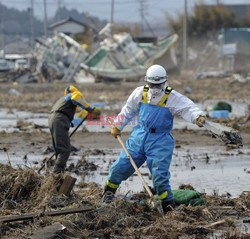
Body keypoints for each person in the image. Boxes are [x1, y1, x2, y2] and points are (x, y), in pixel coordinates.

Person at [102, 64, 206, 214]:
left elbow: (187, 108)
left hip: (160, 141)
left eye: (158, 84)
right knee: (120, 166)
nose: (155, 87)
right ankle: (108, 194)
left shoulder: (172, 97)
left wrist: (198, 117)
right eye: (152, 84)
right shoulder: (140, 93)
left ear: (164, 82)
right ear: (147, 82)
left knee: (160, 176)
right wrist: (117, 125)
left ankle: (167, 207)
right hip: (139, 136)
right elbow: (128, 110)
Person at [48, 85, 101, 173]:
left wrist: (70, 123)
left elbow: (64, 112)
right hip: (59, 120)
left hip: (52, 119)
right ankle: (57, 174)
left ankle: (58, 172)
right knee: (65, 149)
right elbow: (76, 99)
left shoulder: (63, 99)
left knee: (59, 148)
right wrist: (89, 108)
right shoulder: (74, 94)